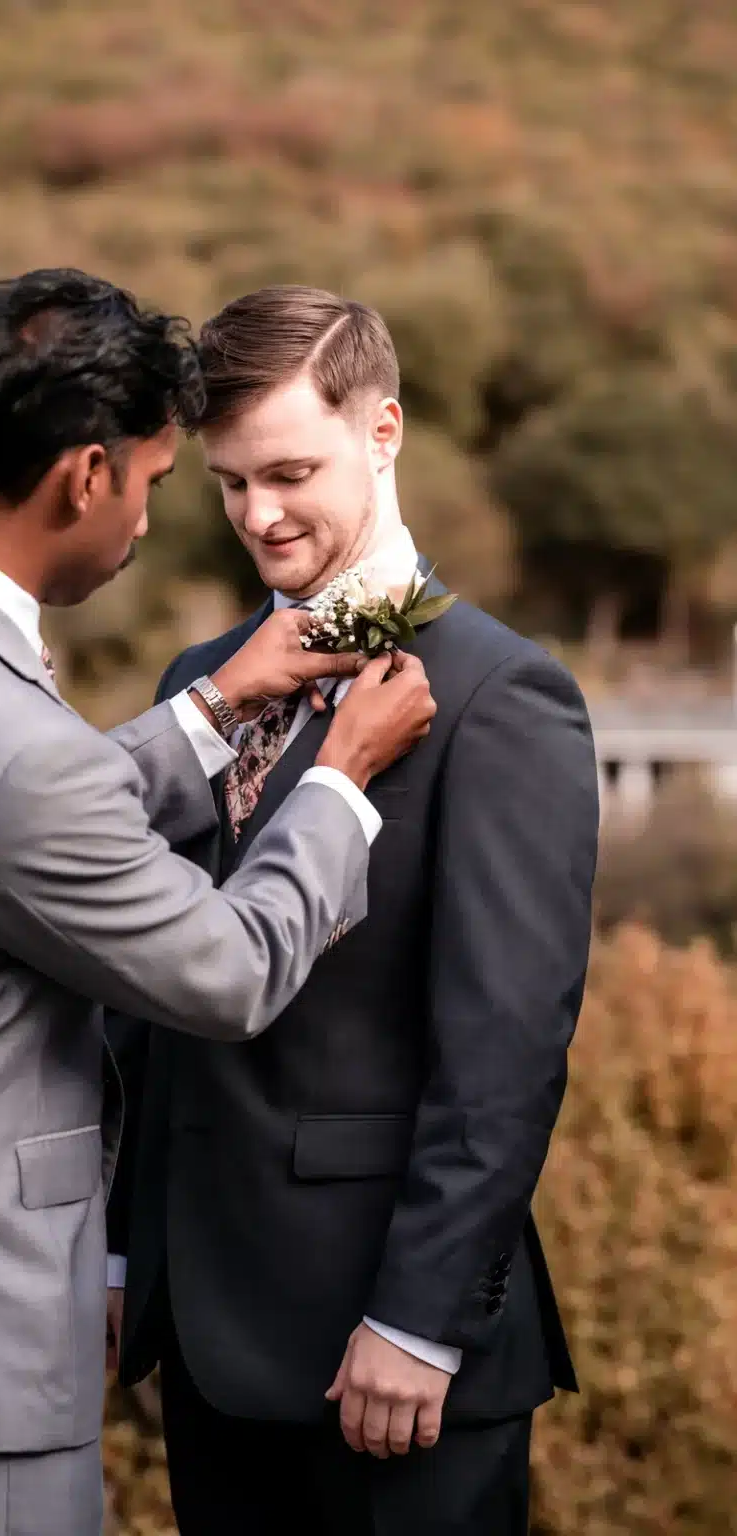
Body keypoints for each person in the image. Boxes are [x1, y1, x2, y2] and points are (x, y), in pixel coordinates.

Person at [0, 270, 436, 1536]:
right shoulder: (12, 758)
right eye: (162, 484)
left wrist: (210, 707)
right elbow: (224, 971)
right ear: (83, 478)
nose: (155, 526)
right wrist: (339, 782)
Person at [107, 285, 601, 1536]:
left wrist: (420, 1318)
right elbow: (144, 1006)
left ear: (382, 432)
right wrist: (122, 1256)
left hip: (391, 1356)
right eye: (226, 483)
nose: (256, 514)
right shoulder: (194, 687)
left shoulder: (504, 697)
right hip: (207, 1345)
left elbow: (504, 1048)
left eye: (287, 471)